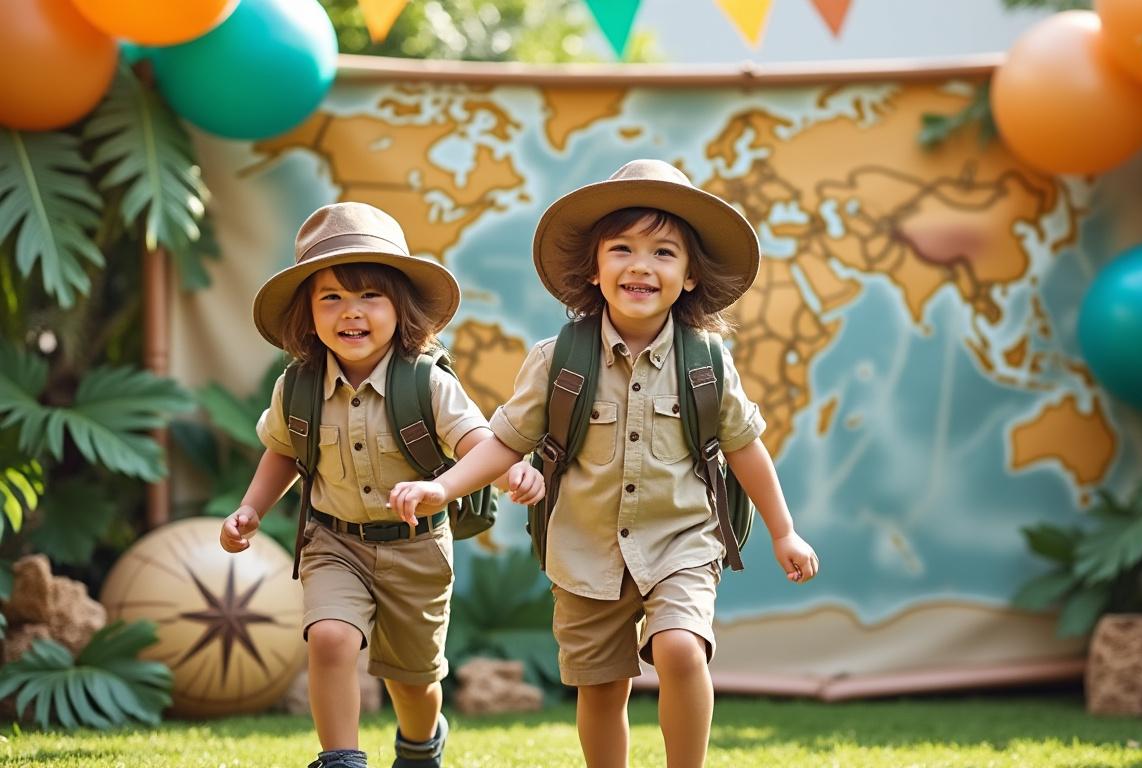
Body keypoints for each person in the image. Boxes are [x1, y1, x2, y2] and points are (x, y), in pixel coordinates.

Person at [389, 160, 820, 768]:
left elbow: (747, 446)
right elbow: (506, 441)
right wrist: (444, 487)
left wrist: (784, 531)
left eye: (664, 252)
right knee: (600, 685)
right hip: (584, 546)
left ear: (690, 276)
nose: (641, 265)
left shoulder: (707, 363)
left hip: (682, 539)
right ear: (594, 269)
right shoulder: (558, 359)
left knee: (679, 649)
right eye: (622, 249)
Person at [217, 202, 543, 768]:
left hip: (416, 550)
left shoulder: (427, 384)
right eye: (332, 298)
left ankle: (421, 742)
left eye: (370, 295)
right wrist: (250, 510)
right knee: (330, 638)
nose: (351, 312)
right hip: (333, 542)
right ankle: (341, 759)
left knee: (412, 683)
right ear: (308, 315)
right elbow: (281, 452)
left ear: (401, 307)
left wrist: (511, 467)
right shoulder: (296, 387)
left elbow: (481, 445)